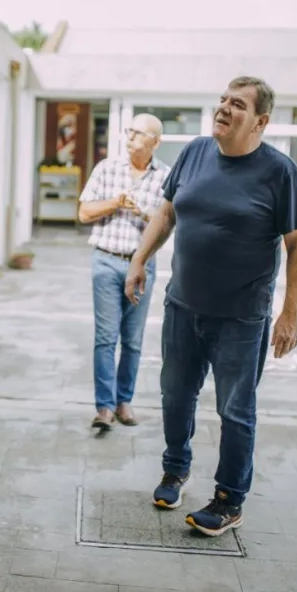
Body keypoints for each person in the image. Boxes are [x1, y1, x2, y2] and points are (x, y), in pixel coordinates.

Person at [124, 77, 297, 537]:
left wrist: (291, 313)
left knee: (235, 410)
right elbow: (167, 212)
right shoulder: (194, 152)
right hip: (183, 306)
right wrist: (139, 258)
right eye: (223, 100)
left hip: (241, 316)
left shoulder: (279, 172)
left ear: (261, 121)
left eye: (238, 105)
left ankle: (229, 499)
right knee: (175, 394)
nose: (224, 109)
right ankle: (175, 470)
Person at [78, 113, 171, 431]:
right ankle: (103, 408)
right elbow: (84, 211)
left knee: (132, 340)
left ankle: (123, 403)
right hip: (106, 261)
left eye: (138, 133)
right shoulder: (107, 168)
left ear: (155, 142)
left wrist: (143, 213)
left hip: (142, 266)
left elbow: (168, 225)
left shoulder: (165, 177)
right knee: (106, 338)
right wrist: (115, 202)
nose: (130, 137)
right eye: (129, 131)